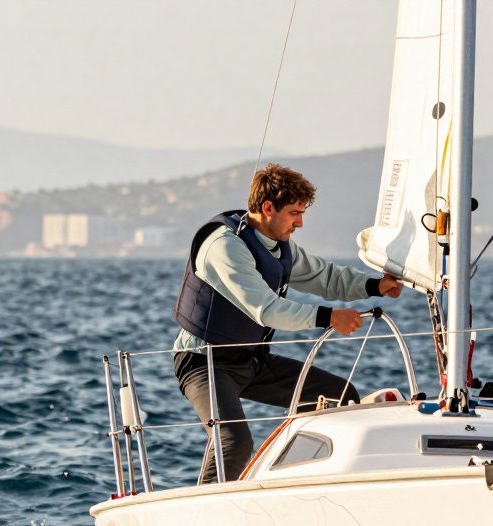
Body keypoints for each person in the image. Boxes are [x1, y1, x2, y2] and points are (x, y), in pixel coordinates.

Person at [172, 163, 403, 484]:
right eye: (295, 213)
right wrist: (328, 317)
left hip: (252, 361)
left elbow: (324, 277)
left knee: (340, 397)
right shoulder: (224, 247)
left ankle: (300, 485)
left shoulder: (278, 247)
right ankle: (202, 514)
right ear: (268, 208)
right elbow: (264, 309)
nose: (301, 222)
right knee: (234, 442)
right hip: (204, 363)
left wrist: (374, 285)